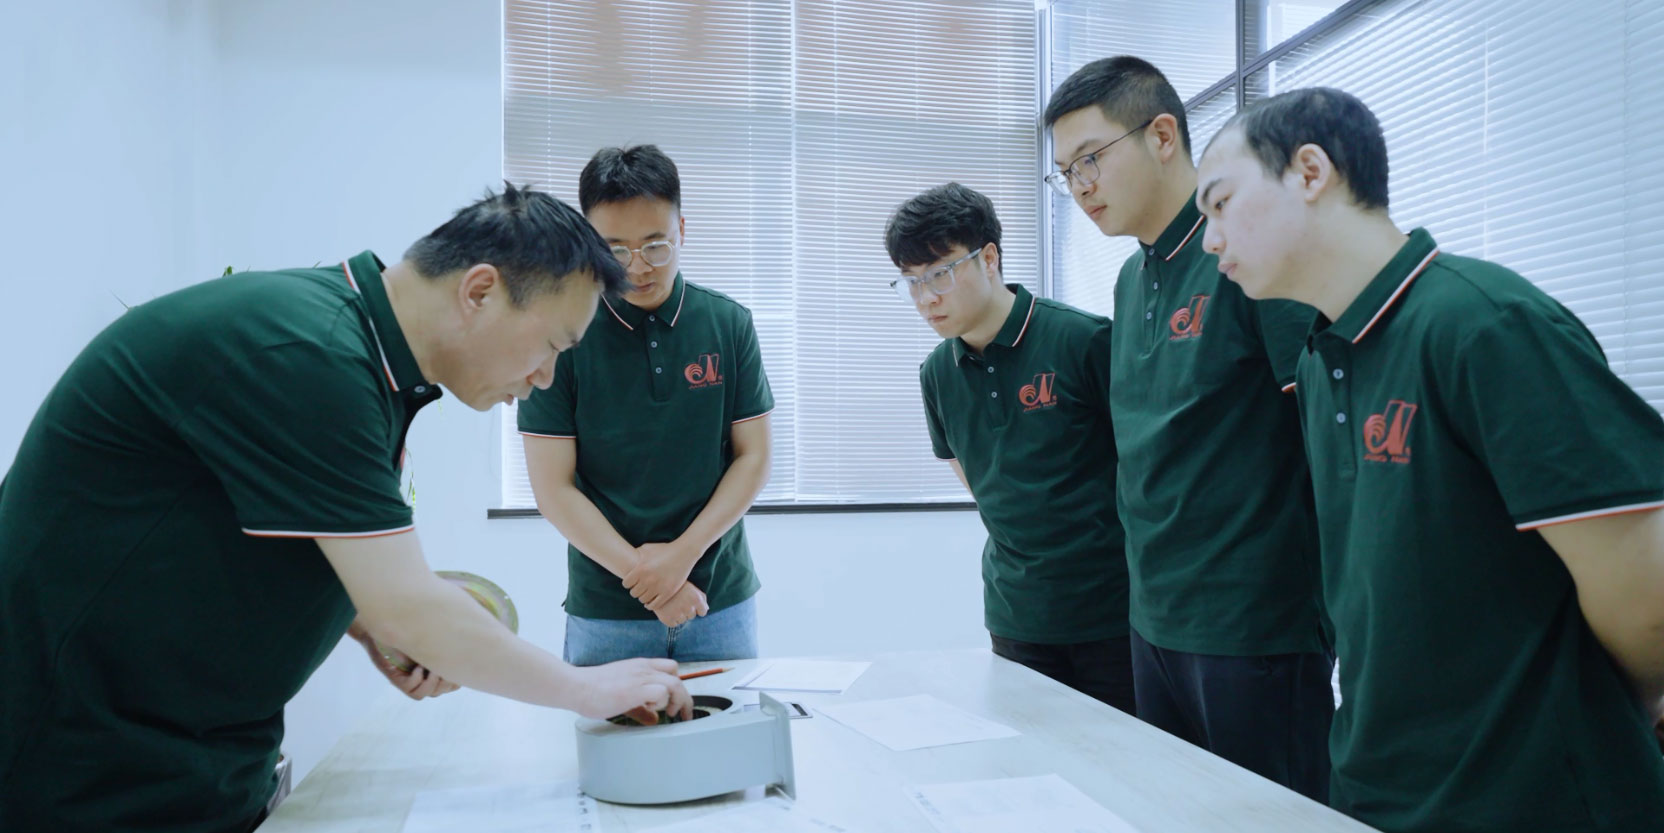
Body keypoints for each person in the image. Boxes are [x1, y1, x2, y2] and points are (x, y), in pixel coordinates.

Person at [0, 184, 693, 833]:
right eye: (552, 346)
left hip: (187, 760)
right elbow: (408, 606)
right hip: (88, 772)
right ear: (480, 290)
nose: (544, 378)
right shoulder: (309, 354)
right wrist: (584, 688)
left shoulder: (354, 351)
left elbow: (291, 538)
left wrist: (362, 620)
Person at [1196, 85, 1664, 833]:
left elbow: (1646, 595)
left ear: (1310, 172)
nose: (1210, 240)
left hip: (1529, 798)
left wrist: (1591, 709)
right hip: (1380, 785)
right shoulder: (1319, 358)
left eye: (1220, 204)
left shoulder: (1483, 323)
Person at [1043, 56, 1332, 798]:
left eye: (1090, 160)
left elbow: (1331, 437)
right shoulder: (1130, 277)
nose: (1080, 187)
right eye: (1066, 173)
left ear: (1163, 135)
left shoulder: (1246, 249)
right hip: (1152, 621)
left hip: (1252, 625)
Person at [520, 145, 773, 666]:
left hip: (719, 600)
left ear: (682, 229)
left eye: (656, 246)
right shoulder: (563, 335)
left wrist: (681, 557)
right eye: (616, 250)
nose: (638, 268)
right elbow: (553, 488)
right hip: (607, 612)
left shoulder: (728, 323)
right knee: (609, 724)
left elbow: (754, 457)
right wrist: (649, 580)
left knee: (730, 723)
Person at [885, 183, 1133, 713]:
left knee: (1127, 758)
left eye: (939, 273)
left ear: (989, 258)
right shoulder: (936, 374)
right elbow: (979, 483)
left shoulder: (1084, 341)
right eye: (911, 281)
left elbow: (1143, 468)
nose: (926, 298)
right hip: (1015, 617)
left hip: (1116, 616)